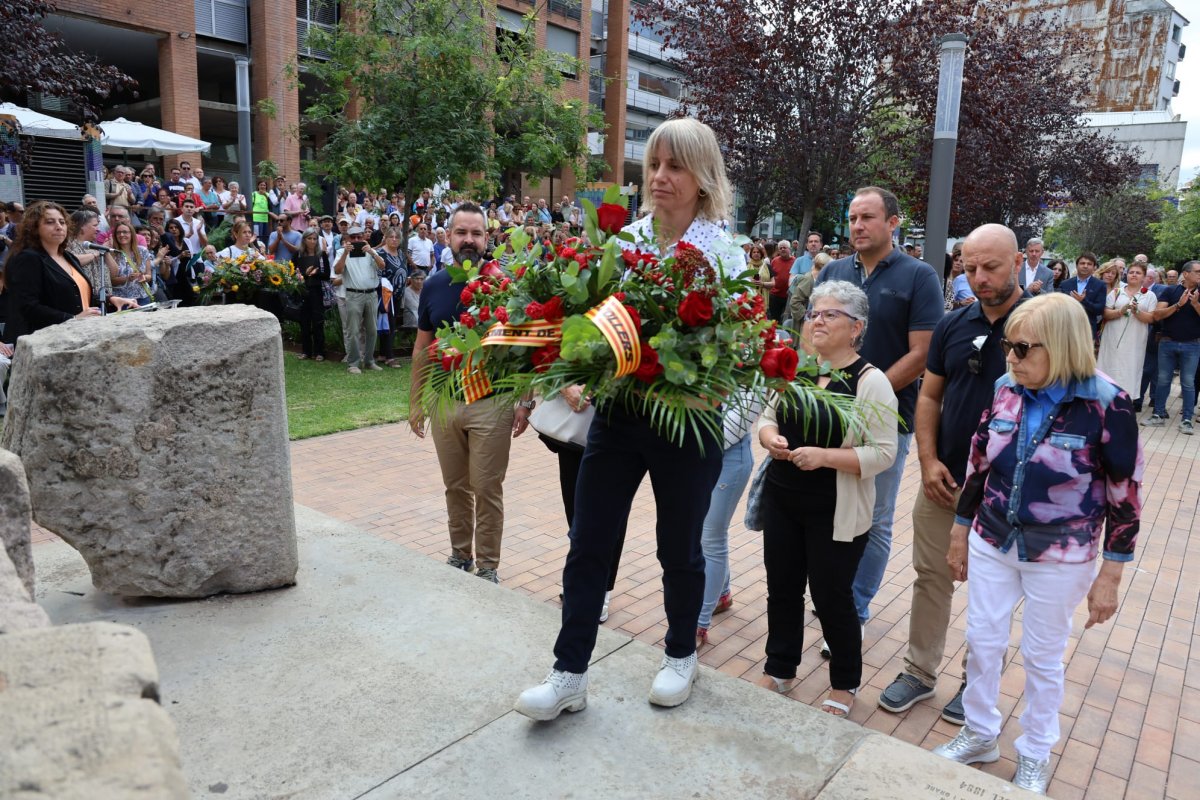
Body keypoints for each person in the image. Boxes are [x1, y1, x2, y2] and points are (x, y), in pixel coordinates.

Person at [514, 118, 743, 721]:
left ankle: (678, 655)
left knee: (679, 549)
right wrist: (579, 369)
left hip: (687, 425)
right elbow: (590, 330)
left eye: (675, 166)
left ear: (703, 178)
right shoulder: (624, 245)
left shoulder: (725, 252)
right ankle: (568, 674)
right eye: (655, 164)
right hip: (618, 418)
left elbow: (736, 350)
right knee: (588, 542)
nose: (660, 177)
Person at [934, 292, 1141, 795]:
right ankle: (980, 733)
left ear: (1063, 346)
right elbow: (978, 464)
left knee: (1042, 656)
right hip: (992, 536)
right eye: (1009, 345)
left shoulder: (1106, 401)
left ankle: (1035, 751)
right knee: (982, 641)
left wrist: (1111, 574)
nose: (1011, 358)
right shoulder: (1006, 388)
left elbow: (1124, 491)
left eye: (1025, 348)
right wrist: (960, 532)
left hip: (1060, 552)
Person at [877, 223, 1026, 724]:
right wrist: (927, 460)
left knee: (993, 592)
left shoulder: (1042, 323)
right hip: (945, 480)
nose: (979, 278)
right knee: (931, 577)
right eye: (970, 267)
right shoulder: (953, 323)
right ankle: (918, 672)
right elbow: (930, 396)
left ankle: (975, 682)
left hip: (1006, 490)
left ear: (1019, 262)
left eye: (992, 267)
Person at [755, 281, 898, 717]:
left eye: (829, 314)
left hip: (835, 509)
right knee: (781, 588)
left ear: (856, 328)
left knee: (832, 596)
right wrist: (771, 438)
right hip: (783, 499)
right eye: (814, 313)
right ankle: (780, 665)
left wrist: (826, 457)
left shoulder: (871, 382)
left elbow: (884, 452)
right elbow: (766, 416)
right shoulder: (795, 368)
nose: (817, 320)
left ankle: (844, 682)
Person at [815, 186, 943, 647]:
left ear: (893, 222)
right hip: (827, 414)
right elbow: (815, 337)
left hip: (887, 417)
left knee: (875, 517)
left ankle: (854, 605)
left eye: (867, 217)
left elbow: (923, 352)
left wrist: (868, 395)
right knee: (831, 507)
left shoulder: (918, 276)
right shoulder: (833, 270)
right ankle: (832, 593)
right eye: (851, 218)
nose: (857, 227)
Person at [409, 203, 531, 584]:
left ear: (487, 237)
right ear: (448, 237)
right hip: (447, 402)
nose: (469, 240)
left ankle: (488, 567)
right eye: (461, 232)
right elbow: (421, 348)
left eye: (476, 233)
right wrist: (417, 401)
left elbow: (525, 347)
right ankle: (460, 555)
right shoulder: (434, 286)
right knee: (455, 487)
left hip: (492, 403)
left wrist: (525, 400)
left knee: (487, 488)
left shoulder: (504, 284)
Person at [3, 201, 106, 343]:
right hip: (40, 341)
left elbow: (76, 294)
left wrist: (112, 299)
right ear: (34, 228)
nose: (58, 226)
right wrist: (72, 319)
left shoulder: (67, 256)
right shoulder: (27, 258)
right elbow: (27, 306)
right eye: (50, 222)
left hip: (73, 337)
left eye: (62, 222)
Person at [1145, 260, 1200, 433]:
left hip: (1192, 345)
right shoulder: (1170, 290)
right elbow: (1157, 314)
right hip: (1167, 342)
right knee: (1163, 379)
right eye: (1197, 271)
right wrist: (1178, 305)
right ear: (1186, 274)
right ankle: (1158, 415)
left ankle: (1186, 420)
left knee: (1188, 383)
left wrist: (1196, 305)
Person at [1097, 261, 1155, 403]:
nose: (1134, 275)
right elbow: (1105, 313)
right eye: (1131, 272)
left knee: (1130, 370)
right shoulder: (1116, 292)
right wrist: (1120, 311)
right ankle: (1104, 401)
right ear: (1126, 275)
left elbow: (1151, 318)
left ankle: (1124, 404)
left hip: (1134, 342)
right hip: (1112, 340)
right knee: (1109, 369)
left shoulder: (1149, 295)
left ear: (1144, 277)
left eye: (1138, 273)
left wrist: (1136, 311)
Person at [334, 225, 385, 373]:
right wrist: (345, 253)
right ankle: (353, 363)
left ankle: (369, 360)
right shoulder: (341, 252)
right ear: (347, 238)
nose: (356, 240)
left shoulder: (370, 251)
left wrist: (372, 252)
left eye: (359, 237)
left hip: (371, 294)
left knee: (372, 330)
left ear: (364, 237)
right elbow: (338, 271)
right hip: (353, 295)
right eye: (353, 237)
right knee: (353, 330)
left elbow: (382, 265)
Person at [294, 230, 329, 361]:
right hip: (303, 291)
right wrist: (304, 273)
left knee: (318, 322)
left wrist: (315, 273)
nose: (312, 241)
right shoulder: (298, 254)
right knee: (304, 322)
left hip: (317, 291)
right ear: (304, 240)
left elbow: (326, 274)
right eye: (310, 239)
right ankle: (306, 351)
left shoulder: (321, 255)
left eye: (315, 239)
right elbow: (292, 272)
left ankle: (320, 352)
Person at [105, 221, 154, 305]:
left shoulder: (142, 251)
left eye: (125, 232)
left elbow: (149, 275)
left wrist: (143, 277)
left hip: (142, 296)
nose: (121, 235)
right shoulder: (112, 254)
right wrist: (128, 278)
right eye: (118, 233)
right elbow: (110, 281)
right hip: (122, 300)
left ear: (132, 234)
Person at [1057, 252, 1105, 337]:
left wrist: (1083, 301)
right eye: (1082, 263)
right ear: (1077, 266)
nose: (1085, 266)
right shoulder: (1065, 284)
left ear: (1094, 267)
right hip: (1065, 329)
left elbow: (1099, 310)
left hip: (1087, 329)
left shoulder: (1100, 285)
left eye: (1089, 264)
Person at [785, 251, 831, 328]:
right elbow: (795, 302)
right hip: (805, 324)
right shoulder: (808, 279)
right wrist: (808, 317)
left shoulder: (818, 278)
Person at [943, 243, 965, 311]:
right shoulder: (945, 279)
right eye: (955, 260)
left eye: (961, 261)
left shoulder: (965, 280)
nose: (958, 263)